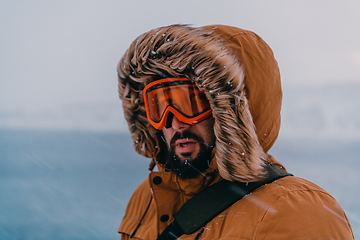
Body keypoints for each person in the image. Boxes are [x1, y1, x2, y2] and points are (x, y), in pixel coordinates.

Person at [116, 24, 354, 239]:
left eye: (190, 103)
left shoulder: (297, 213)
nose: (175, 123)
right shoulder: (147, 198)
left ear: (230, 112)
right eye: (159, 105)